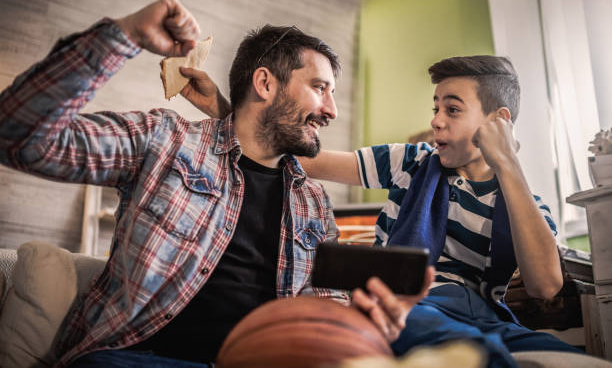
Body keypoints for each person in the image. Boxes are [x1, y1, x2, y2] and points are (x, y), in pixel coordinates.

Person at [0, 0, 432, 367]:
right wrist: (124, 35)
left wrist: (363, 322)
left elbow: (319, 307)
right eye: (321, 87)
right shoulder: (166, 143)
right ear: (265, 83)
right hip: (136, 358)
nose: (332, 110)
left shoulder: (313, 202)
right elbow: (18, 135)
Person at [191, 55, 584, 367]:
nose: (435, 121)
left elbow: (545, 286)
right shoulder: (411, 162)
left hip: (487, 315)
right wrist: (227, 113)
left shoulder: (522, 201)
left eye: (452, 110)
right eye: (436, 107)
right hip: (410, 303)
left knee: (570, 359)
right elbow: (303, 159)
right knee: (421, 331)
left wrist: (508, 165)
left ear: (499, 122)